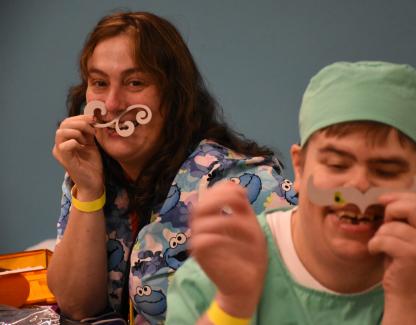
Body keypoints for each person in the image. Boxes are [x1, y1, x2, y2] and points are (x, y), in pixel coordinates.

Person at [166, 61, 416, 324]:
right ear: (299, 168)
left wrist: (408, 300)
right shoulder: (215, 276)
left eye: (387, 170)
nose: (359, 186)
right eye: (337, 165)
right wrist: (232, 307)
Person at [48, 11, 296, 323]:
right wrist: (88, 191)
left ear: (174, 96)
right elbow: (77, 307)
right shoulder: (89, 171)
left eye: (135, 82)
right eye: (99, 82)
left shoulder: (244, 186)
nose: (111, 104)